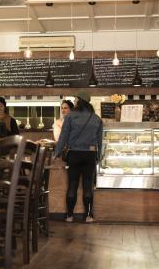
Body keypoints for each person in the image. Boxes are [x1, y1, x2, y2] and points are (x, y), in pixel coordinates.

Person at [54, 90, 103, 223]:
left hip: (74, 154)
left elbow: (63, 137)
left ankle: (69, 215)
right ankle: (89, 215)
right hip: (90, 155)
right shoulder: (96, 118)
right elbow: (100, 141)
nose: (74, 102)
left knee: (72, 184)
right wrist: (99, 156)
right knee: (88, 186)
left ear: (80, 101)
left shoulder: (70, 117)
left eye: (76, 100)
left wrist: (57, 152)